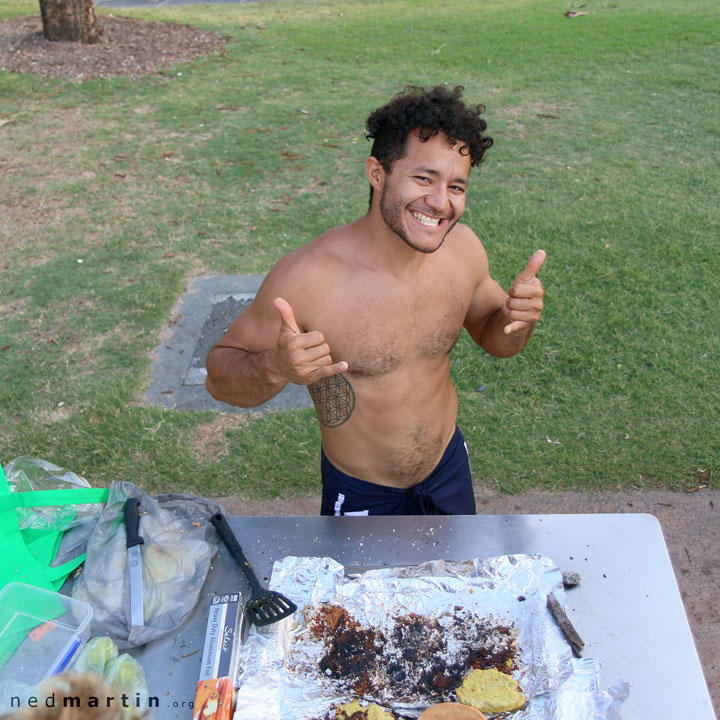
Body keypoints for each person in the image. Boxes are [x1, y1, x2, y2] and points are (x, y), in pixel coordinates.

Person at [205, 85, 545, 516]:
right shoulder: (309, 277)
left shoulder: (463, 251)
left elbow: (499, 342)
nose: (440, 203)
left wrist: (518, 319)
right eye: (423, 178)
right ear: (377, 173)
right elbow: (219, 377)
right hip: (362, 492)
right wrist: (275, 366)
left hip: (447, 471)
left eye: (456, 186)